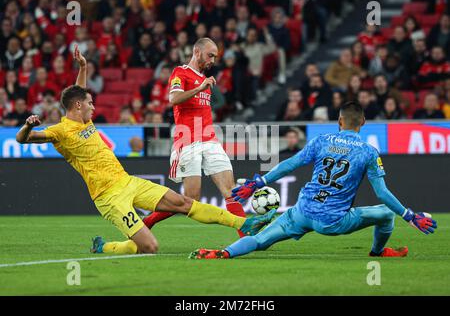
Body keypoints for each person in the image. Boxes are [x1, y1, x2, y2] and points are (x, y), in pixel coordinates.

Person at [15, 45, 276, 256]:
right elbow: (23, 140)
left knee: (184, 202)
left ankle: (244, 223)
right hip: (108, 197)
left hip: (127, 181)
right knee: (149, 248)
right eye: (90, 103)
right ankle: (105, 247)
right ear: (78, 106)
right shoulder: (60, 131)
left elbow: (79, 92)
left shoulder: (86, 119)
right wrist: (28, 126)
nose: (94, 107)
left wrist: (83, 67)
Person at [190, 102, 438, 259]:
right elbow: (382, 193)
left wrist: (259, 182)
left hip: (302, 211)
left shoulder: (322, 141)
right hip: (332, 221)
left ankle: (222, 253)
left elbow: (290, 164)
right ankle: (378, 252)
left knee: (260, 241)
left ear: (339, 121)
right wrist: (410, 215)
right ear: (362, 123)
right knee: (385, 214)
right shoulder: (368, 152)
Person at [143, 38, 248, 238]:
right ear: (197, 52)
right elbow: (173, 99)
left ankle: (247, 237)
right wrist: (200, 88)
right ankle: (147, 221)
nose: (213, 60)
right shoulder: (180, 73)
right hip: (187, 140)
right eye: (210, 55)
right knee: (191, 200)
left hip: (210, 140)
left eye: (216, 57)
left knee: (230, 190)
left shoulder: (206, 80)